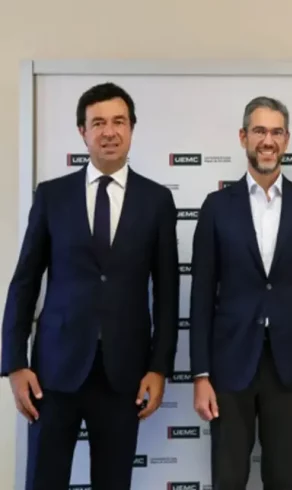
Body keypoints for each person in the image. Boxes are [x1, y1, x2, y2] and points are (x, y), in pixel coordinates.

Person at [0, 82, 179, 490]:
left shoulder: (156, 201)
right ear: (82, 131)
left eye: (118, 121)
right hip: (53, 373)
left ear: (132, 128)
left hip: (124, 375)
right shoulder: (52, 196)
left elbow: (168, 292)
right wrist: (14, 363)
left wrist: (158, 366)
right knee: (44, 481)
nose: (109, 131)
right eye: (98, 122)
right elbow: (24, 282)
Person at [189, 96, 292, 490]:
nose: (267, 140)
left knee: (282, 478)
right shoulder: (217, 206)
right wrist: (200, 375)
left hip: (291, 366)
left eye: (275, 132)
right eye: (259, 131)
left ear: (286, 140)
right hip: (229, 365)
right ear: (243, 137)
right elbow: (201, 296)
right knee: (229, 478)